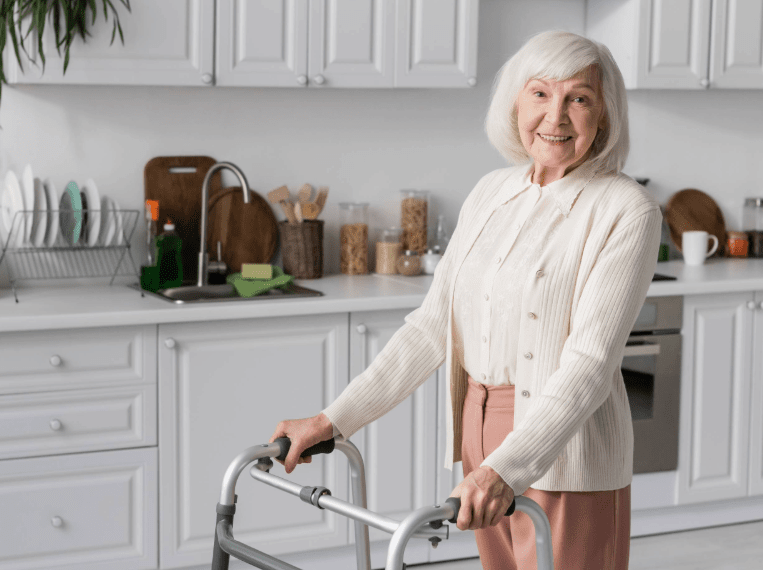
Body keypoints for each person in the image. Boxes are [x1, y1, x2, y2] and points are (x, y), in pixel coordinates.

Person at [270, 29, 660, 570]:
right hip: (480, 435)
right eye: (541, 93)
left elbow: (590, 366)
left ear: (604, 114)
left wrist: (507, 468)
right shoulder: (491, 192)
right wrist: (332, 420)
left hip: (566, 450)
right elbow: (432, 327)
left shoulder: (626, 209)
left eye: (579, 98)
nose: (556, 116)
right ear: (516, 101)